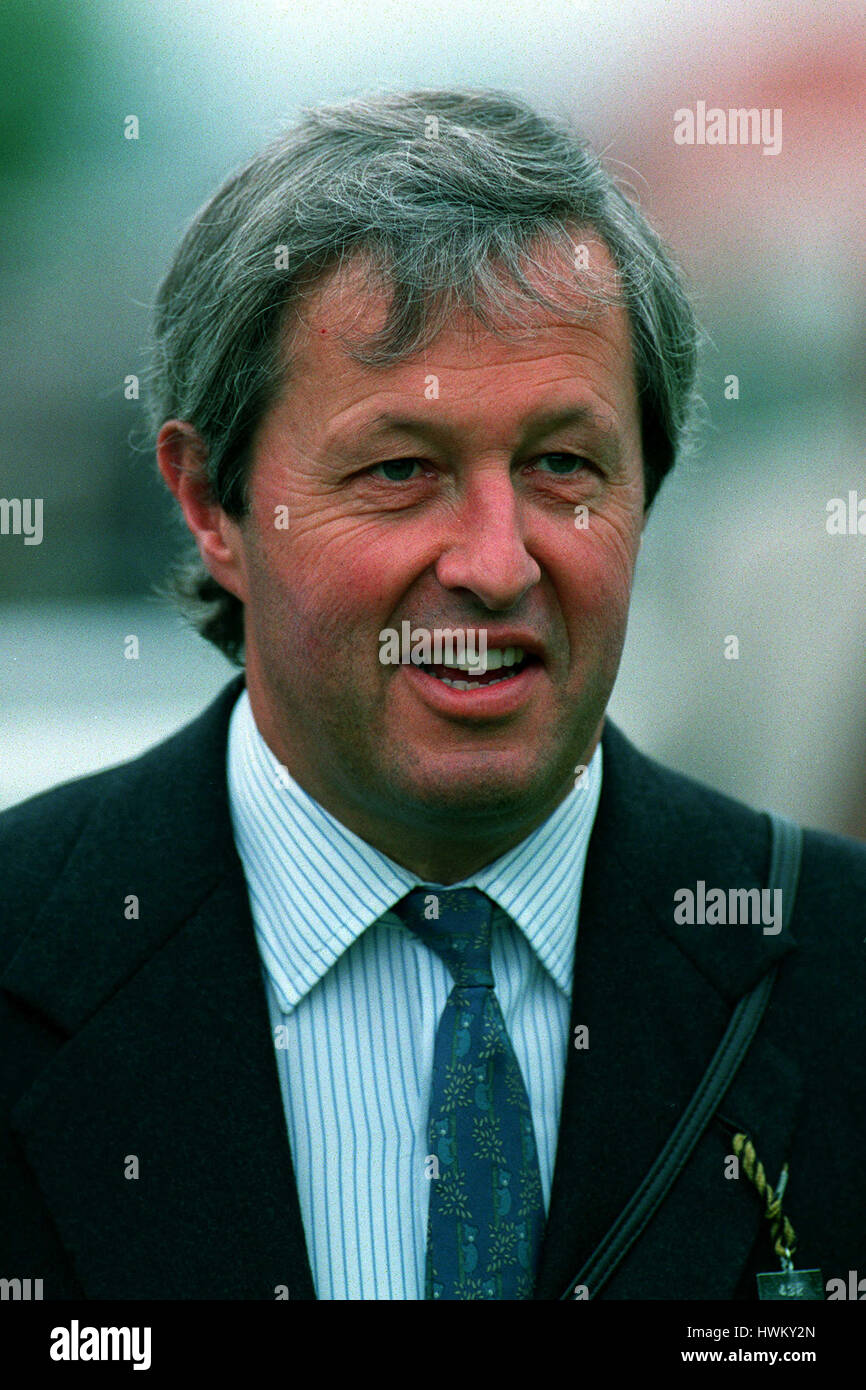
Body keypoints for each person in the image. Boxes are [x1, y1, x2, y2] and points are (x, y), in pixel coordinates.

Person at [1, 88, 864, 1302]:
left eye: (562, 465)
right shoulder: (28, 948)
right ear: (210, 504)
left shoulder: (832, 964)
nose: (497, 563)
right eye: (401, 470)